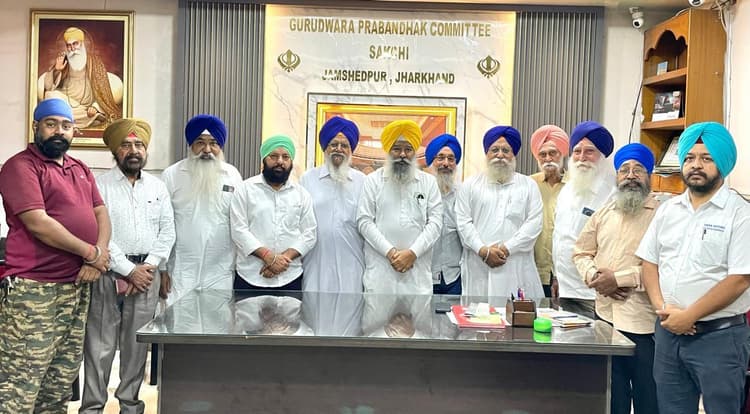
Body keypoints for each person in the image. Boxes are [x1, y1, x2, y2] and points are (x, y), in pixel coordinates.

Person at [0, 98, 111, 413]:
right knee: (21, 384)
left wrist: (98, 256)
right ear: (36, 126)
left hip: (75, 287)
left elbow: (101, 213)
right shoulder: (20, 166)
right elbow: (39, 224)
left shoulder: (80, 168)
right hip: (34, 290)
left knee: (59, 383)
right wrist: (91, 253)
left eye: (66, 125)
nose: (59, 131)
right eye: (51, 124)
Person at [636, 122, 750, 414]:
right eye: (689, 158)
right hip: (668, 334)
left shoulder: (740, 214)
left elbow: (740, 279)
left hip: (719, 339)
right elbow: (649, 262)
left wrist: (689, 316)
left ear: (722, 163)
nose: (696, 165)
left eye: (706, 158)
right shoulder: (668, 210)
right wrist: (663, 309)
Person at [79, 118, 175, 413]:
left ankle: (130, 406)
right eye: (126, 145)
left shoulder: (158, 186)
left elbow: (168, 231)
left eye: (139, 145)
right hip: (107, 273)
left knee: (137, 346)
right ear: (114, 151)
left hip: (147, 276)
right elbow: (98, 230)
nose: (134, 151)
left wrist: (148, 267)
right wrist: (128, 270)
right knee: (100, 346)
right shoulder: (99, 185)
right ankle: (92, 407)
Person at [573, 143, 659, 414]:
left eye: (638, 169)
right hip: (605, 318)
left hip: (643, 323)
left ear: (649, 176)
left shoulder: (662, 215)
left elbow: (665, 267)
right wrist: (595, 277)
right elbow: (581, 252)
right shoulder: (605, 211)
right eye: (624, 170)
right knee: (611, 397)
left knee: (648, 398)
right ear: (617, 176)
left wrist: (619, 279)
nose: (631, 175)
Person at [161, 114, 243, 305]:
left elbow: (240, 221)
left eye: (213, 143)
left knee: (217, 321)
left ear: (220, 146)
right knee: (180, 320)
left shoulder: (232, 175)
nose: (207, 150)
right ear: (191, 144)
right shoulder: (172, 175)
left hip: (220, 270)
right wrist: (162, 269)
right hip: (180, 270)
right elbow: (162, 223)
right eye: (200, 143)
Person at [456, 125, 543, 298]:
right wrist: (483, 251)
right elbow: (463, 222)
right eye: (494, 150)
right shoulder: (470, 185)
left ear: (514, 154)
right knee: (478, 311)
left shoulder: (528, 185)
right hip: (479, 265)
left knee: (516, 311)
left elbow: (534, 223)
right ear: (486, 153)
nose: (500, 155)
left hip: (515, 265)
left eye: (506, 150)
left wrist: (506, 248)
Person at [356, 120, 442, 294]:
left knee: (419, 313)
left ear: (414, 152)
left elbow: (435, 223)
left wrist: (412, 253)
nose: (402, 154)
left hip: (417, 276)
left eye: (408, 149)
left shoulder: (429, 182)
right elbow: (364, 221)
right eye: (396, 149)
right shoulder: (372, 181)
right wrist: (390, 252)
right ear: (388, 150)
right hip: (381, 276)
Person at [230, 135, 317, 291]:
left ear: (291, 162)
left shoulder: (301, 194)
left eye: (285, 157)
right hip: (250, 276)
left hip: (290, 276)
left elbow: (310, 233)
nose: (280, 161)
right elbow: (239, 230)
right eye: (274, 156)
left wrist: (282, 260)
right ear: (264, 159)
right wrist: (268, 257)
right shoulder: (245, 190)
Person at [553, 120, 616, 318]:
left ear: (602, 156)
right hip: (565, 289)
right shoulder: (567, 190)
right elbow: (560, 237)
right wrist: (556, 276)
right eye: (577, 151)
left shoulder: (611, 194)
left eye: (589, 151)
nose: (582, 157)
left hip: (593, 294)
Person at [299, 116, 366, 292]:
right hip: (316, 262)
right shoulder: (308, 179)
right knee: (314, 305)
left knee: (351, 305)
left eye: (344, 145)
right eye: (333, 144)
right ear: (325, 148)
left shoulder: (362, 181)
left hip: (352, 262)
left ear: (351, 150)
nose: (339, 149)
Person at [40, 27, 123, 128]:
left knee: (59, 112)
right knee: (49, 95)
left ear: (82, 43)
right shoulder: (63, 61)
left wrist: (95, 107)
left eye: (75, 44)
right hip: (68, 102)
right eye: (69, 45)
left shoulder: (94, 62)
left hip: (88, 106)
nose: (72, 48)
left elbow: (104, 91)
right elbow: (48, 87)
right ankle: (91, 119)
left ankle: (83, 117)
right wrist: (57, 70)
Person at [529, 125, 569, 297]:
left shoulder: (576, 185)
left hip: (567, 273)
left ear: (562, 153)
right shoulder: (528, 184)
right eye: (542, 154)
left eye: (553, 153)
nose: (548, 159)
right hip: (533, 269)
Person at [424, 134, 463, 295]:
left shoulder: (463, 194)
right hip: (424, 275)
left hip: (454, 277)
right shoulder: (421, 193)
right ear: (431, 162)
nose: (446, 163)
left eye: (451, 159)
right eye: (440, 158)